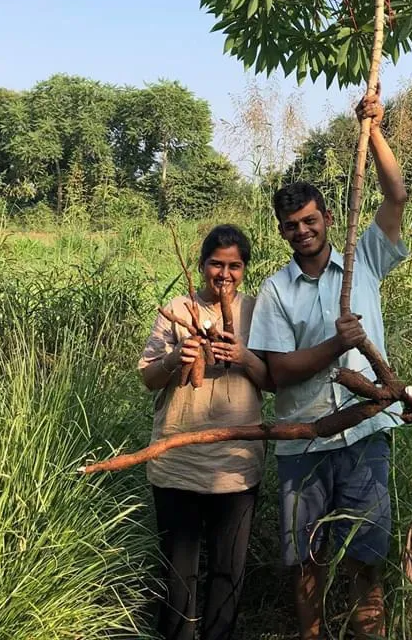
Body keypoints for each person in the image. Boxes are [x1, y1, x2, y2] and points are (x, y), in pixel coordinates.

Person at [248, 91, 408, 640]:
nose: (303, 231)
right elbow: (275, 374)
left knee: (367, 555)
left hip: (366, 431)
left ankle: (371, 633)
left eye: (310, 220)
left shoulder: (363, 258)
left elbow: (396, 193)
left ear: (328, 218)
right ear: (282, 231)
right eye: (291, 225)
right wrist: (335, 347)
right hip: (304, 444)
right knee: (306, 559)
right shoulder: (274, 291)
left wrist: (374, 129)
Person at [138, 224, 271, 640]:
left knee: (227, 572)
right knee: (179, 572)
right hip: (177, 462)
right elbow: (147, 377)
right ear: (201, 265)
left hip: (236, 466)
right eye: (217, 264)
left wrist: (244, 356)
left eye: (234, 265)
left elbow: (272, 380)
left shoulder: (258, 312)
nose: (225, 274)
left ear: (245, 269)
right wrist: (178, 356)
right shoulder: (177, 309)